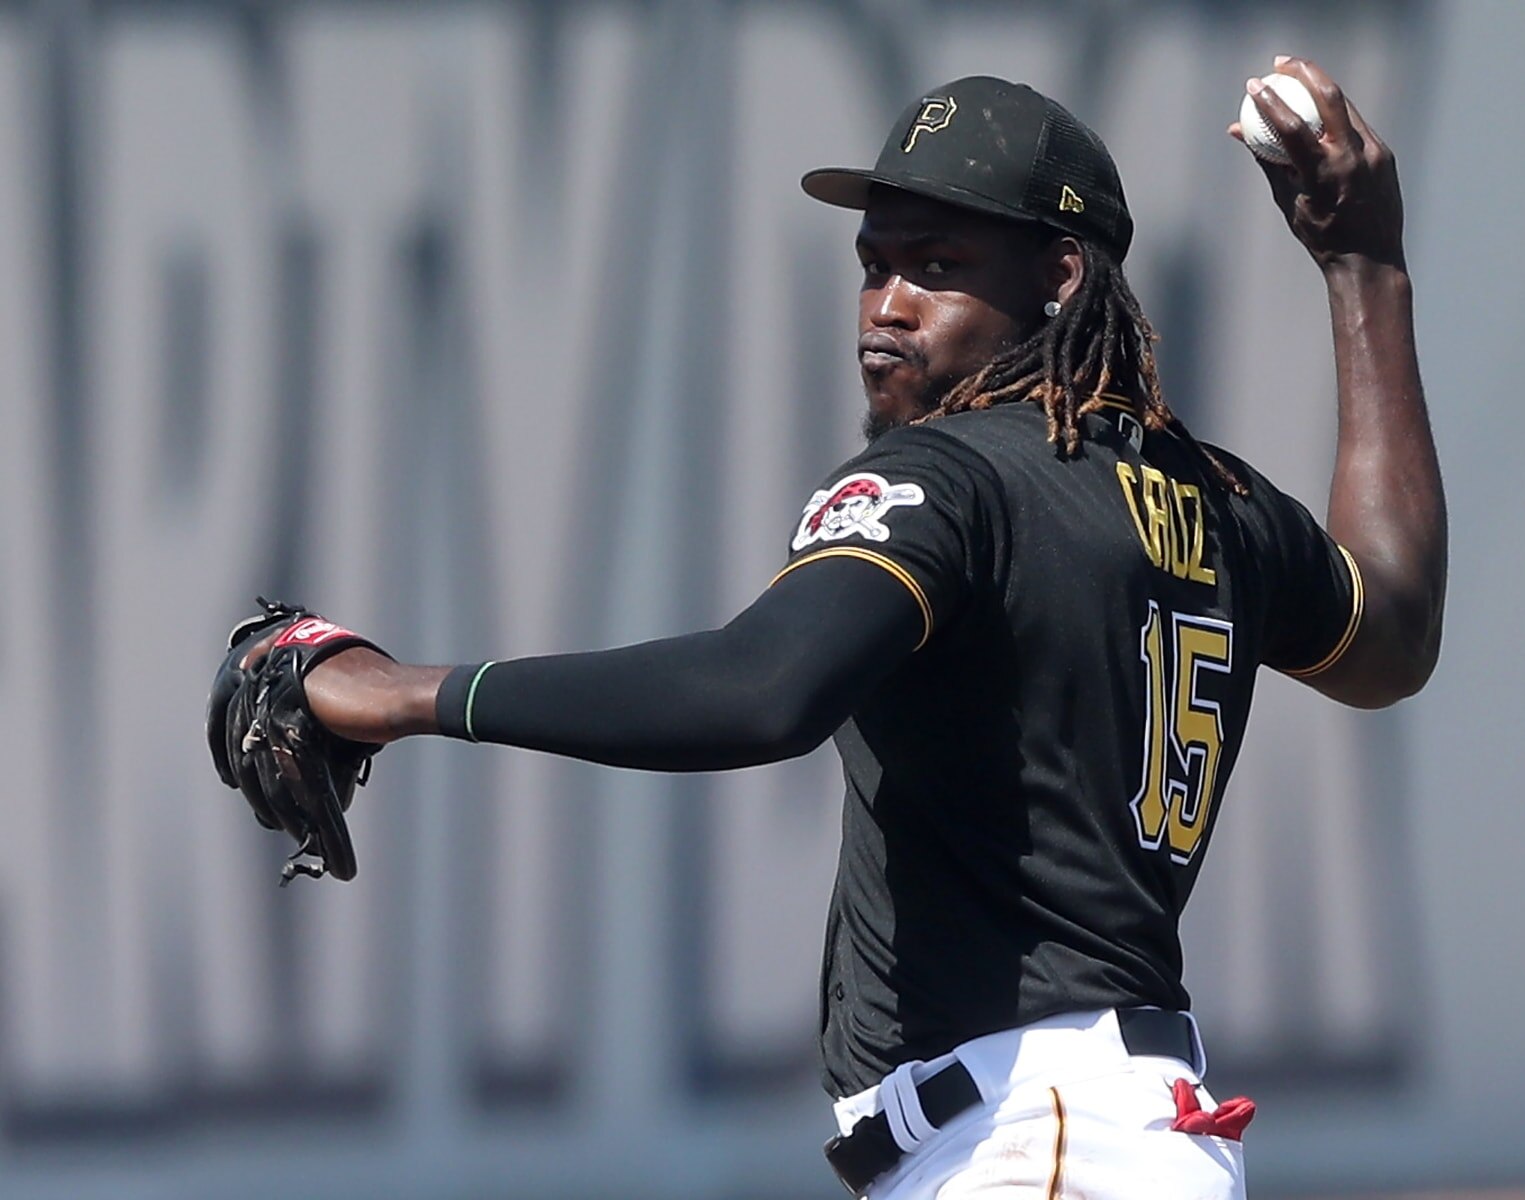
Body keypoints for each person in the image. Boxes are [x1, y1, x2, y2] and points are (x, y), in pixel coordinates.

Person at [246, 59, 1445, 1199]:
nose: (885, 307)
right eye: (873, 265)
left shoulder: (955, 478)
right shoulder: (1209, 498)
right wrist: (1365, 272)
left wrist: (404, 691)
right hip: (1107, 1135)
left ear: (1062, 276)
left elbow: (762, 688)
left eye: (937, 264)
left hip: (1037, 1139)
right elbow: (1389, 625)